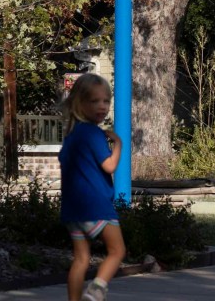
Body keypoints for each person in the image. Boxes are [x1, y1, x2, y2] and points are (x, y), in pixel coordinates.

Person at [59, 73, 126, 301]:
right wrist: (118, 144)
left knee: (80, 259)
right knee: (117, 251)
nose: (102, 106)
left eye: (106, 101)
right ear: (80, 102)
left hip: (72, 211)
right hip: (96, 207)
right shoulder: (94, 134)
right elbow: (109, 166)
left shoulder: (71, 136)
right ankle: (96, 291)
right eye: (95, 101)